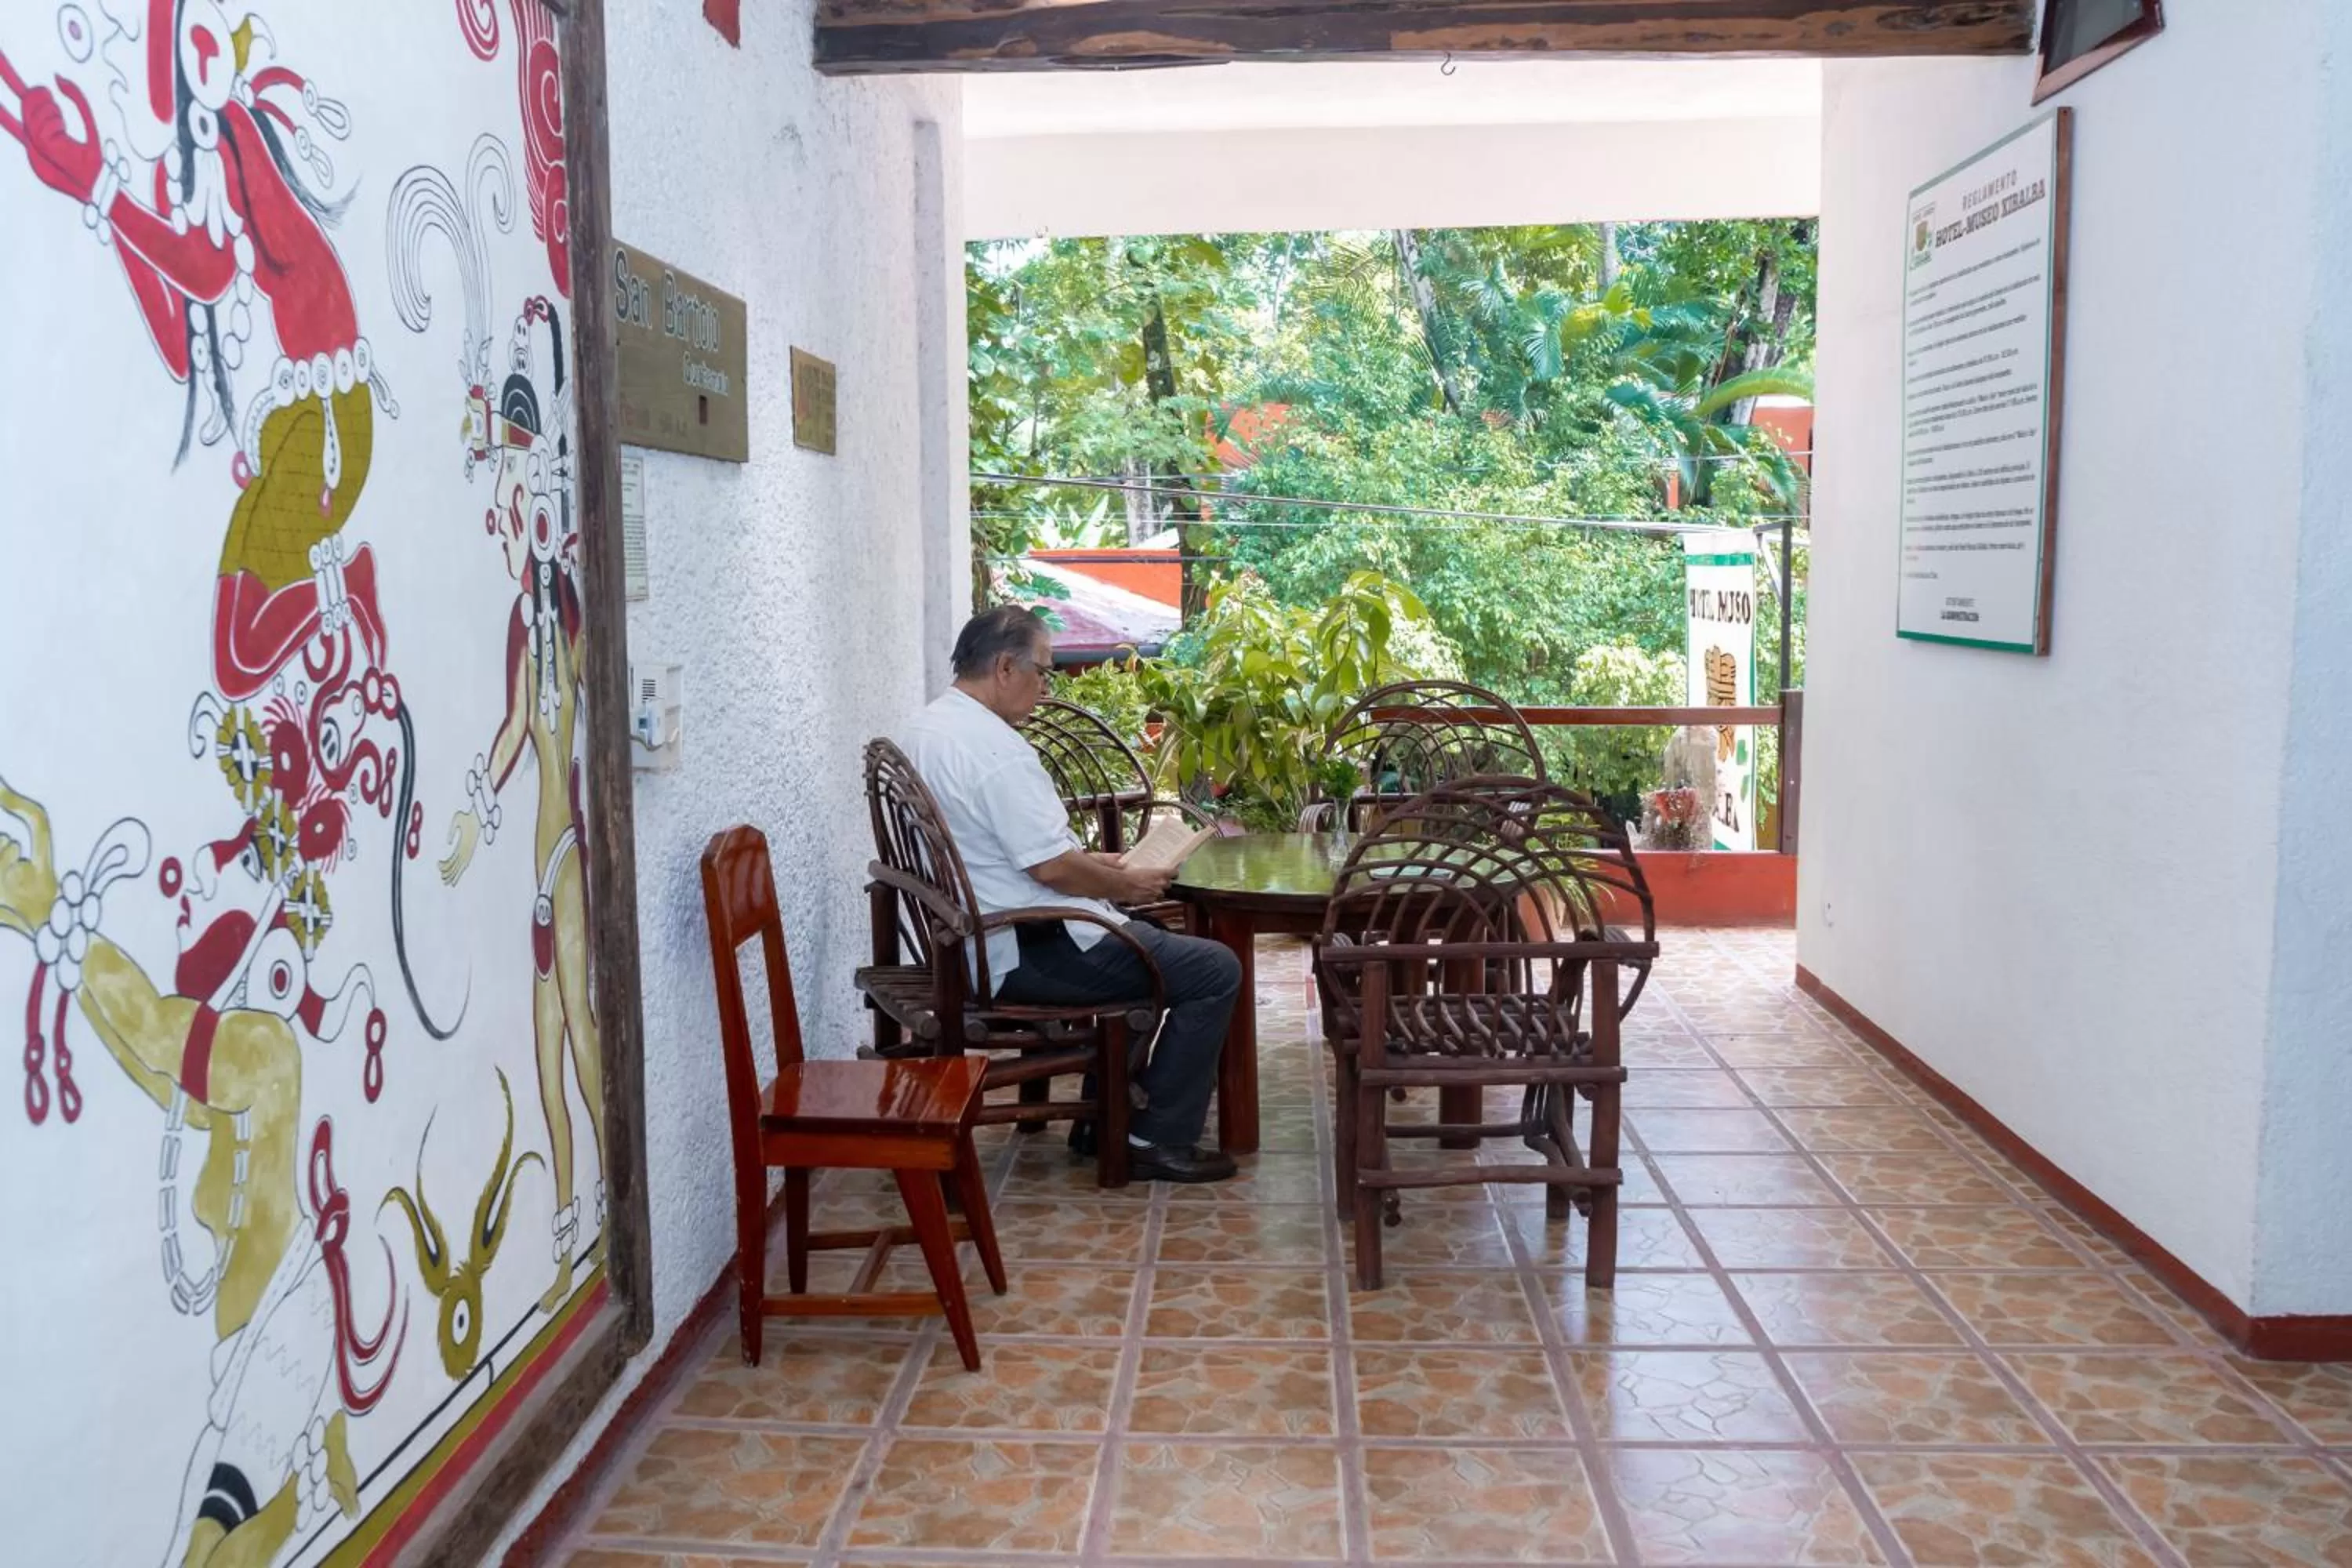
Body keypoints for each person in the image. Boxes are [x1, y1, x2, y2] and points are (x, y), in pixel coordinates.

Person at [901, 606, 1242, 1183]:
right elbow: (1051, 868)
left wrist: (1106, 866)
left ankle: (1103, 1120)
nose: (1046, 686)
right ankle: (1151, 1137)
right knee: (1213, 969)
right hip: (1023, 948)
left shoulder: (926, 728)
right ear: (1006, 667)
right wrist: (1125, 881)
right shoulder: (996, 752)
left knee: (1154, 943)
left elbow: (1014, 851)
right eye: (1043, 671)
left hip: (972, 938)